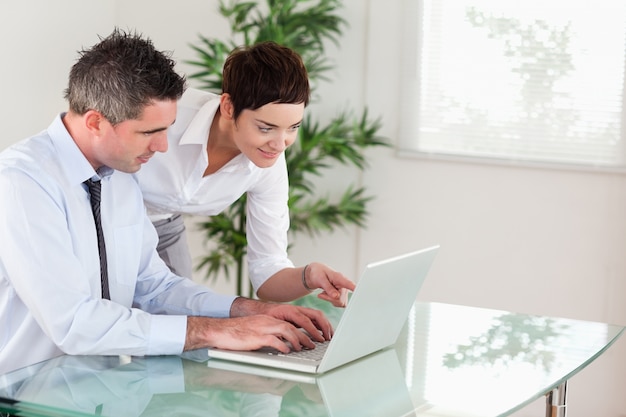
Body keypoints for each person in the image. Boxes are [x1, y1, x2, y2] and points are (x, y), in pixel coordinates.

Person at [0, 29, 334, 375]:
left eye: (167, 129)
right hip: (26, 393)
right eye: (149, 133)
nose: (163, 147)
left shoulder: (120, 175)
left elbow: (154, 286)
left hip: (101, 389)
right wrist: (214, 331)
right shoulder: (23, 182)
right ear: (96, 122)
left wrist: (246, 311)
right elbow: (75, 323)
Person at [136, 42, 355, 307]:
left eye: (293, 127)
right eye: (266, 128)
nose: (280, 143)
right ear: (228, 107)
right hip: (102, 214)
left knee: (182, 318)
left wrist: (309, 276)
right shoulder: (170, 112)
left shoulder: (269, 163)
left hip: (165, 226)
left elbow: (267, 273)